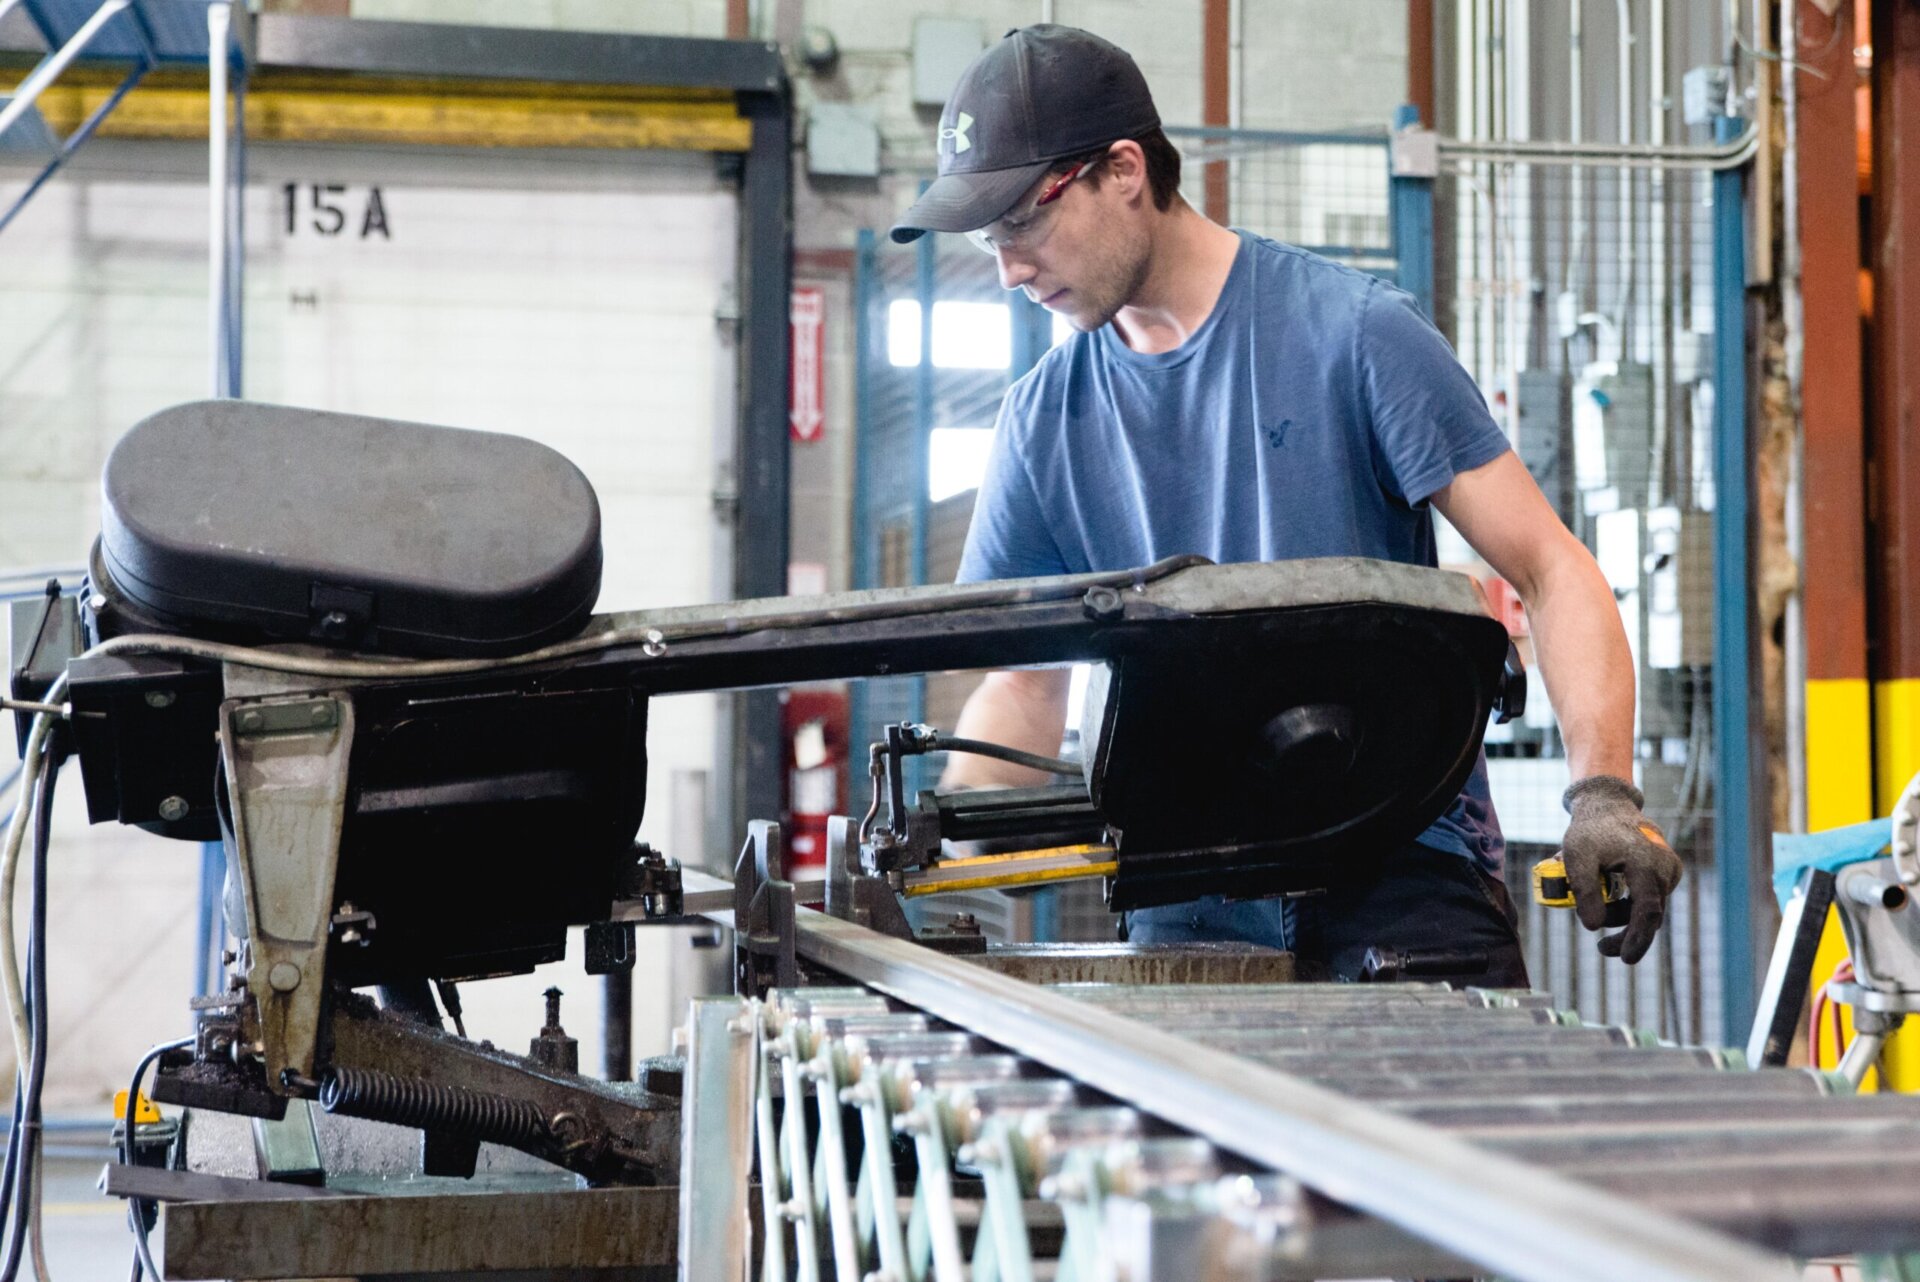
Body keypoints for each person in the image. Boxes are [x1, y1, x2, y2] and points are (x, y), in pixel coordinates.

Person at [887, 24, 1681, 983]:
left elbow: (1551, 568)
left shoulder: (1356, 336)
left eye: (1023, 222)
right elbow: (1023, 686)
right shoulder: (1040, 424)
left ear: (1124, 169)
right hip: (1185, 903)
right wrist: (943, 869)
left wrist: (1601, 793)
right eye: (989, 237)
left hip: (1397, 876)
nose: (1009, 268)